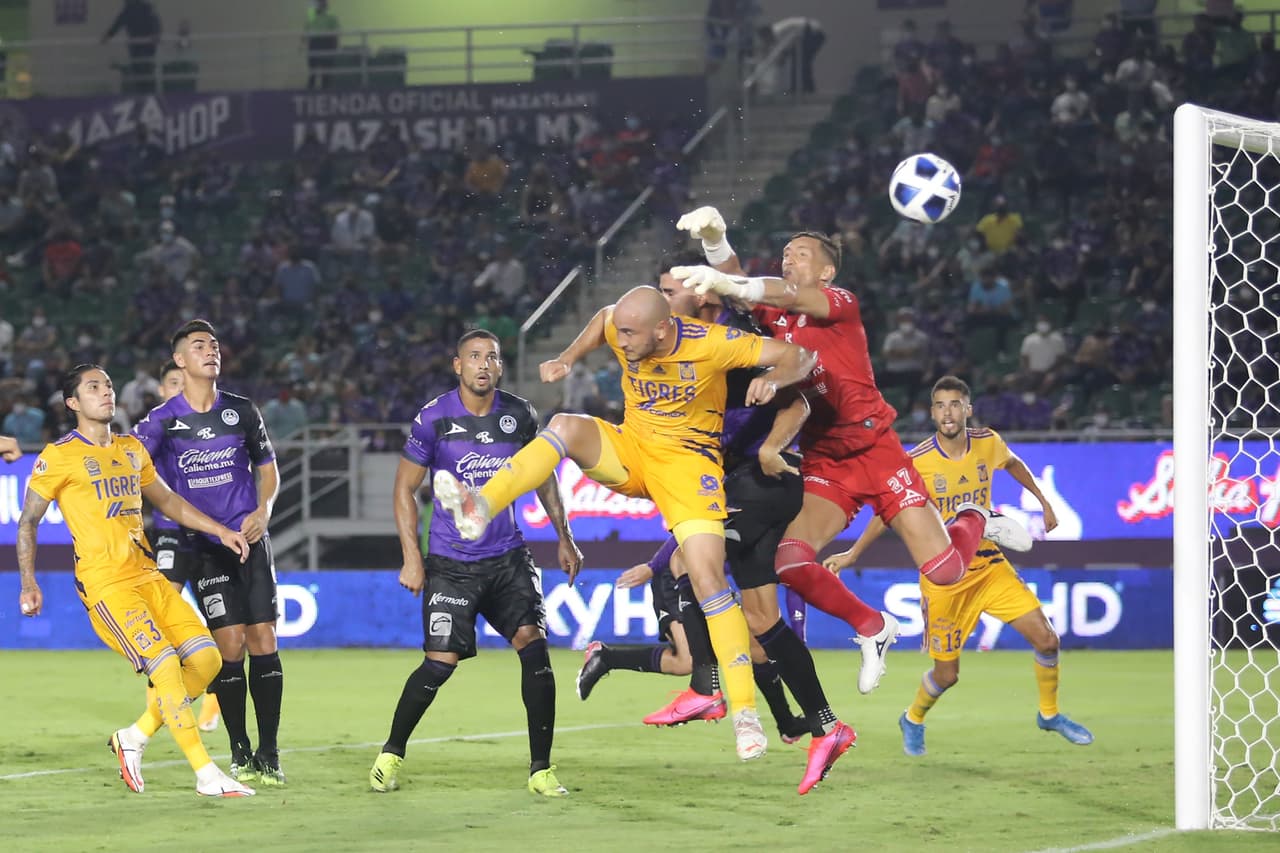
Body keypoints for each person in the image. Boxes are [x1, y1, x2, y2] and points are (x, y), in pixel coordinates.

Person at [433, 286, 817, 763]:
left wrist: (776, 379)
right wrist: (568, 358)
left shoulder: (713, 342)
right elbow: (602, 317)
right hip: (633, 449)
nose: (623, 341)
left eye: (633, 334)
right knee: (568, 425)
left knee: (708, 579)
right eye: (622, 331)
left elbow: (800, 355)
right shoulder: (623, 326)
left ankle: (744, 714)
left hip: (687, 467)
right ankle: (480, 507)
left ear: (663, 328)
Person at [672, 207, 1033, 698]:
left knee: (946, 572)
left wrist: (731, 279)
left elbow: (760, 288)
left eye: (801, 255)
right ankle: (873, 626)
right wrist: (716, 237)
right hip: (826, 460)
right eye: (784, 254)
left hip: (877, 452)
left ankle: (975, 515)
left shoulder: (839, 302)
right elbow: (738, 281)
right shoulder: (776, 315)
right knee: (790, 563)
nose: (789, 261)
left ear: (826, 271)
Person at [647, 264, 856, 793]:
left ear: (698, 297)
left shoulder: (733, 340)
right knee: (763, 618)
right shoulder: (674, 352)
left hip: (759, 482)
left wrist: (769, 435)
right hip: (741, 484)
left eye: (669, 293)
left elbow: (805, 381)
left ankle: (705, 685)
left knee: (684, 566)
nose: (659, 302)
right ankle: (828, 727)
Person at [16, 364, 253, 797]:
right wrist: (28, 582)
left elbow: (168, 500)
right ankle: (206, 774)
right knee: (164, 664)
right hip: (106, 585)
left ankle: (134, 737)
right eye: (94, 387)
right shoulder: (59, 455)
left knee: (207, 662)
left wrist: (219, 529)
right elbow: (29, 522)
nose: (106, 392)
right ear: (73, 403)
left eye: (108, 384)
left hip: (149, 576)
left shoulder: (130, 449)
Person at [825, 376, 1094, 754]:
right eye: (940, 405)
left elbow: (1014, 464)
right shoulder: (917, 461)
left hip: (990, 567)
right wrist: (853, 553)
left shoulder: (987, 442)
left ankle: (1049, 715)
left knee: (1048, 640)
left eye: (954, 404)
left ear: (967, 409)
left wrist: (1043, 501)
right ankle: (913, 717)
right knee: (947, 675)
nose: (947, 412)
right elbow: (888, 512)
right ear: (932, 413)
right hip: (945, 580)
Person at [369, 330, 583, 797]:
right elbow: (404, 488)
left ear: (500, 367)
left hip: (507, 558)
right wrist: (412, 559)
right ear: (457, 365)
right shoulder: (434, 419)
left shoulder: (520, 414)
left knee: (535, 647)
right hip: (451, 564)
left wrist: (564, 537)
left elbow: (543, 477)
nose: (483, 364)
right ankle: (391, 752)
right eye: (474, 357)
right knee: (440, 662)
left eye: (492, 357)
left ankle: (541, 769)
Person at [132, 320, 284, 785]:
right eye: (199, 345)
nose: (210, 350)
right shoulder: (161, 422)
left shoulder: (241, 410)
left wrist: (263, 509)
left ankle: (270, 752)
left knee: (265, 641)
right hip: (205, 546)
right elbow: (126, 464)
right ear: (180, 360)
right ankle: (239, 751)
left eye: (214, 345)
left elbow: (269, 470)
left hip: (251, 541)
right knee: (230, 645)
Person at [136, 360, 220, 732]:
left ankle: (212, 701)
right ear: (160, 391)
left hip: (211, 532)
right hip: (170, 531)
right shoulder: (154, 429)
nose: (178, 387)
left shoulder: (211, 423)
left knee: (221, 621)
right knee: (162, 615)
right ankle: (161, 701)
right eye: (171, 382)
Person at [102, 0, 161, 93]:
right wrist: (108, 36)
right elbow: (117, 23)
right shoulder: (134, 9)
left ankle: (147, 93)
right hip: (139, 46)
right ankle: (146, 93)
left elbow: (155, 22)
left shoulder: (138, 8)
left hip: (143, 46)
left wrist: (108, 36)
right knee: (143, 72)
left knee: (144, 71)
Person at [305, 0, 341, 89]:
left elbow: (336, 32)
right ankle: (311, 87)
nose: (319, 6)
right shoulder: (312, 18)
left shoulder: (331, 17)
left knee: (326, 68)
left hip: (326, 42)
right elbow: (306, 30)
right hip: (314, 42)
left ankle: (326, 88)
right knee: (312, 67)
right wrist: (302, 42)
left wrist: (335, 45)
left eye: (322, 4)